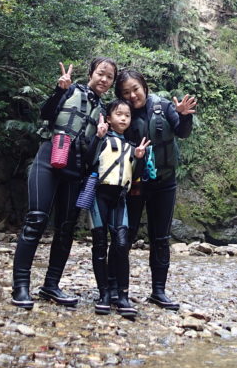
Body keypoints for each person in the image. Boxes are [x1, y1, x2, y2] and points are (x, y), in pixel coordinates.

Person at [10, 57, 117, 309]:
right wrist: (59, 89)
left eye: (109, 77)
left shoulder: (103, 112)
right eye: (101, 73)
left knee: (66, 228)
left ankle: (51, 285)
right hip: (49, 158)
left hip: (75, 170)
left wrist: (100, 138)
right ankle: (21, 286)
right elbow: (45, 113)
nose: (104, 79)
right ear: (91, 73)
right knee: (36, 219)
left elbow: (92, 156)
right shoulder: (69, 90)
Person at [114, 69, 197, 310]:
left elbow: (182, 132)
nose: (132, 96)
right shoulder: (120, 112)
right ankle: (117, 290)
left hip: (164, 183)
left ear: (144, 87)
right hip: (133, 184)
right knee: (124, 237)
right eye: (126, 92)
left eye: (135, 89)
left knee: (160, 238)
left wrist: (184, 116)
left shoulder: (162, 106)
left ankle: (158, 291)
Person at [85, 100, 150, 318]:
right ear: (109, 118)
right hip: (99, 196)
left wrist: (140, 158)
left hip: (120, 198)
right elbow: (88, 161)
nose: (123, 118)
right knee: (100, 245)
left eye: (127, 115)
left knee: (122, 245)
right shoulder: (102, 140)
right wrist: (97, 137)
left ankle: (122, 295)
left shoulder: (133, 147)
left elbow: (137, 174)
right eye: (118, 114)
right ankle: (104, 294)